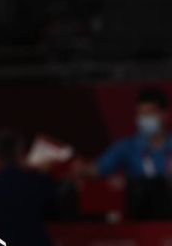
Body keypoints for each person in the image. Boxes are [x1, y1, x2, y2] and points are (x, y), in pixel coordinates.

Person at [72, 86, 172, 219]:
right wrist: (82, 169)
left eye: (149, 113)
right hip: (140, 217)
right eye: (141, 114)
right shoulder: (126, 147)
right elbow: (97, 169)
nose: (144, 119)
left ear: (165, 115)